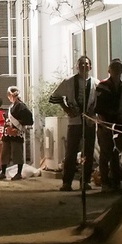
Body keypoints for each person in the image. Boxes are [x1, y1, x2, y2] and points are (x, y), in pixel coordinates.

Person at [49, 56, 97, 192]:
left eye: (86, 64)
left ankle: (85, 181)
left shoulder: (95, 83)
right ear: (77, 66)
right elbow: (54, 96)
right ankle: (67, 182)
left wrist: (94, 111)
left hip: (89, 122)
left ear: (90, 67)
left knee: (88, 151)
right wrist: (66, 109)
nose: (84, 66)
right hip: (74, 122)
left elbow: (99, 101)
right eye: (81, 64)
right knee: (71, 152)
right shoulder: (69, 81)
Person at [94, 59, 122, 191]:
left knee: (117, 153)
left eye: (119, 68)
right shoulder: (102, 85)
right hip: (105, 123)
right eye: (113, 68)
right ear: (109, 70)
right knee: (105, 153)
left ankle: (117, 181)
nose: (116, 70)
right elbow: (98, 106)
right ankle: (105, 182)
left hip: (120, 124)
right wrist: (104, 122)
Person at [0, 86, 33, 181]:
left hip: (16, 132)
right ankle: (3, 172)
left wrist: (18, 126)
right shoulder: (11, 107)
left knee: (17, 153)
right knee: (5, 152)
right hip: (8, 133)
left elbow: (29, 120)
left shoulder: (21, 106)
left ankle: (18, 173)